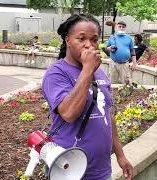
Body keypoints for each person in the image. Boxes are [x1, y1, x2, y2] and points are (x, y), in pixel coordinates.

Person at [42, 14, 133, 180]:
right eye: (81, 38)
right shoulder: (56, 73)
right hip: (68, 169)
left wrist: (120, 155)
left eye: (94, 39)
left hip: (101, 169)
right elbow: (69, 113)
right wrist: (87, 70)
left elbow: (108, 114)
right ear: (68, 40)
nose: (89, 45)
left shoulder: (99, 72)